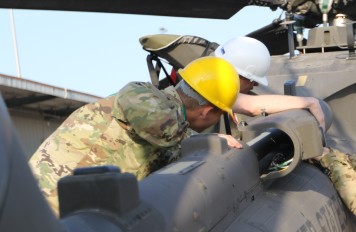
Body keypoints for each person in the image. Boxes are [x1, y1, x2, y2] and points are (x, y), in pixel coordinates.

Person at [29, 56, 241, 216]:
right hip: (44, 206)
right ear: (208, 111)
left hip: (70, 214)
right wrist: (206, 143)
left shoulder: (172, 126)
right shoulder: (145, 95)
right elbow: (155, 122)